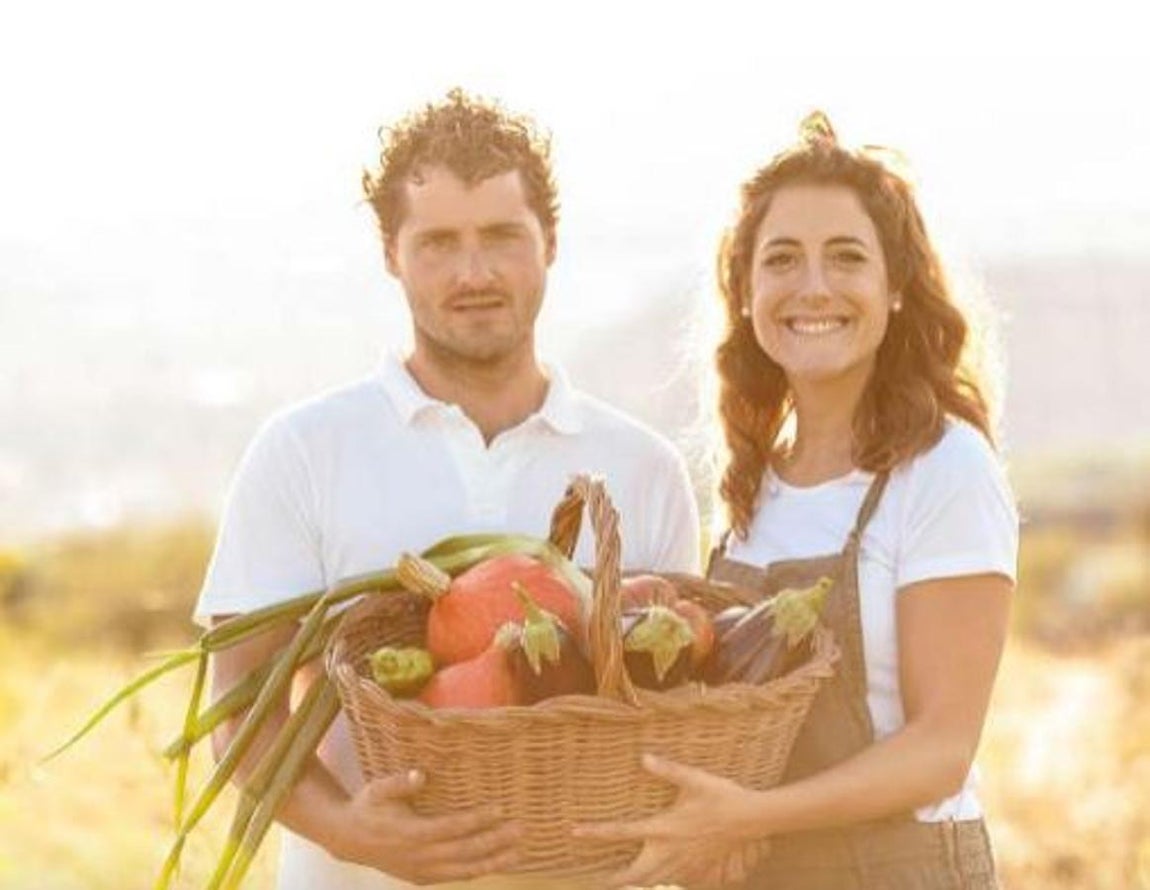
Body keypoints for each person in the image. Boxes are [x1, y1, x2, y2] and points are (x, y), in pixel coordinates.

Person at [194, 88, 700, 890]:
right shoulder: (302, 452)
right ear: (391, 254)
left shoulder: (641, 467)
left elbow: (680, 704)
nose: (474, 273)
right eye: (437, 243)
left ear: (550, 243)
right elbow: (238, 714)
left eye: (502, 236)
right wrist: (350, 834)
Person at [575, 112, 1018, 889]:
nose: (813, 287)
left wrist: (750, 816)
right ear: (746, 294)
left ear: (895, 288)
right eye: (782, 259)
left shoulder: (944, 468)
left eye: (846, 257)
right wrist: (714, 832)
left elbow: (941, 750)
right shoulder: (754, 488)